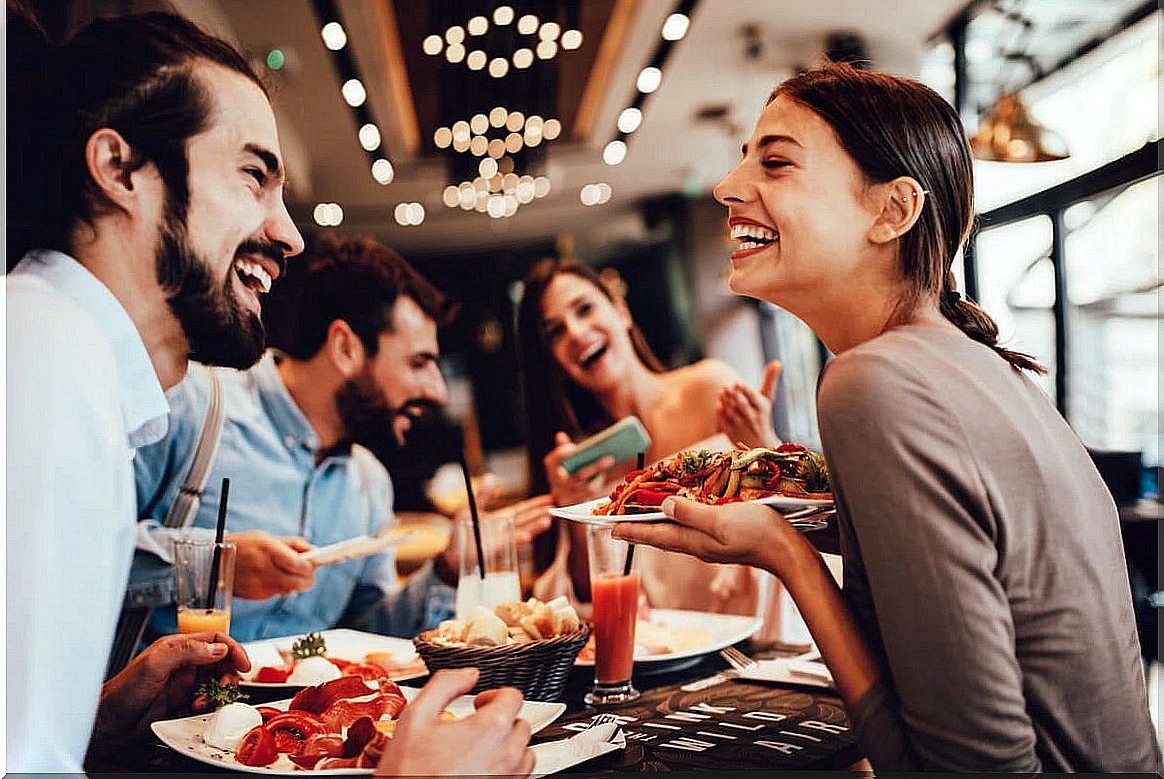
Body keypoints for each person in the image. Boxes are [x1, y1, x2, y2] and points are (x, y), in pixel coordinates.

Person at [5, 3, 533, 778]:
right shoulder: (48, 359)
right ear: (119, 169)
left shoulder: (65, 354)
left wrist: (102, 722)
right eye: (254, 175)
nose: (287, 234)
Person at [614, 62, 1162, 772]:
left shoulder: (872, 381)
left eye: (775, 163)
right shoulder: (983, 368)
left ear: (892, 211)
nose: (728, 186)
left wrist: (787, 555)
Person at [133, 235, 553, 643]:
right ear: (346, 347)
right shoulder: (191, 405)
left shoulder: (369, 483)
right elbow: (81, 549)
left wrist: (446, 571)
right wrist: (215, 563)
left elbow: (367, 637)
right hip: (168, 713)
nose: (437, 390)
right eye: (419, 362)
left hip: (305, 714)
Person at [516, 258, 782, 613]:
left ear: (621, 311)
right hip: (665, 654)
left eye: (584, 309)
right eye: (555, 332)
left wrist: (767, 447)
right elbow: (588, 601)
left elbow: (786, 520)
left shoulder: (710, 390)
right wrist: (577, 520)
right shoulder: (584, 466)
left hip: (758, 628)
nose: (576, 333)